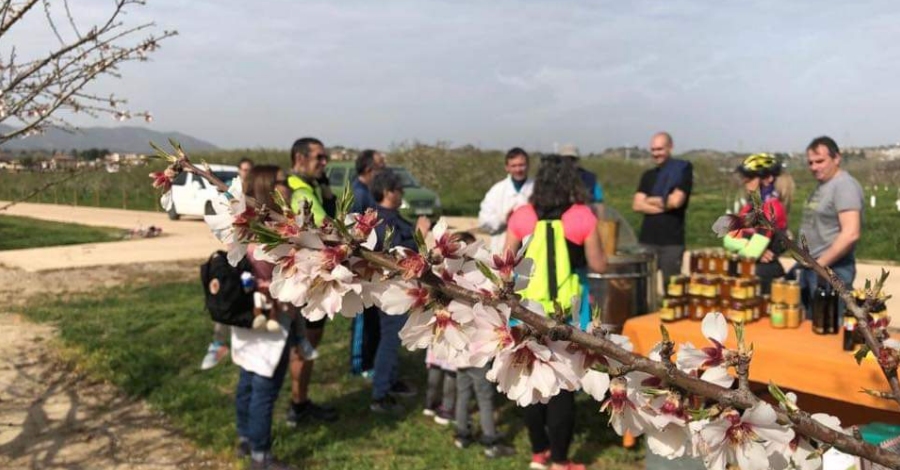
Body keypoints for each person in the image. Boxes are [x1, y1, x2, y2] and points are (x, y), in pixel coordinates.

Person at [505, 155, 607, 470]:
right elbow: (599, 264)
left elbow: (506, 263)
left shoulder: (522, 215)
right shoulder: (582, 216)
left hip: (526, 310)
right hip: (569, 313)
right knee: (563, 386)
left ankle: (539, 451)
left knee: (531, 378)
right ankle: (561, 459)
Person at [232, 165, 296, 470]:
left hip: (247, 312)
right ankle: (261, 454)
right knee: (265, 384)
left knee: (248, 376)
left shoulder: (244, 227)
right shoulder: (273, 233)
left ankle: (245, 437)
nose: (290, 186)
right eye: (284, 181)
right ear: (269, 187)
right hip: (272, 313)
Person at [285, 137, 338, 425]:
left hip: (313, 277)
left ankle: (300, 401)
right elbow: (326, 229)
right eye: (319, 157)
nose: (324, 162)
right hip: (309, 281)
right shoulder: (299, 191)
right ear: (300, 158)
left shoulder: (312, 185)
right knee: (305, 346)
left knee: (307, 345)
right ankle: (298, 405)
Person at [370, 169, 431, 413]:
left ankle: (391, 381)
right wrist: (421, 235)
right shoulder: (383, 223)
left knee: (392, 339)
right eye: (399, 189)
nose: (403, 193)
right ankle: (380, 394)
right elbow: (398, 258)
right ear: (388, 192)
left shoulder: (387, 218)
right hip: (392, 291)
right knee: (389, 340)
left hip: (399, 291)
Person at [451, 230, 516, 458]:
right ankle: (490, 441)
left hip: (459, 353)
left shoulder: (450, 281)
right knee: (485, 398)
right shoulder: (479, 279)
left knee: (463, 394)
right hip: (478, 351)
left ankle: (462, 434)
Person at [798, 136, 863, 319]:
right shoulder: (823, 186)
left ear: (836, 158)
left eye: (820, 161)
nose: (814, 167)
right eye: (810, 162)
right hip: (813, 268)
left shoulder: (844, 186)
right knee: (809, 325)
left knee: (827, 325)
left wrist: (819, 265)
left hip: (831, 269)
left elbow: (851, 233)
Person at [201, 157, 255, 370]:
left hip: (253, 255)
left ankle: (247, 341)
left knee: (251, 297)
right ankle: (219, 342)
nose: (246, 173)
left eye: (250, 170)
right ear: (239, 171)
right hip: (237, 254)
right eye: (244, 169)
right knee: (227, 295)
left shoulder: (255, 193)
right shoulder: (233, 189)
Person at [723, 153, 792, 295]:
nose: (745, 182)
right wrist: (750, 246)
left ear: (767, 179)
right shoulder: (749, 207)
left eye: (750, 178)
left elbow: (752, 252)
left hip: (765, 276)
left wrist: (745, 246)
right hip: (747, 270)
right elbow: (727, 241)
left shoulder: (771, 208)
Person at [632, 132, 693, 283]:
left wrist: (649, 200)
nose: (656, 154)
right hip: (647, 240)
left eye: (659, 149)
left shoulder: (681, 172)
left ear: (670, 147)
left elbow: (676, 202)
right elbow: (637, 205)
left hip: (671, 242)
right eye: (653, 150)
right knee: (643, 285)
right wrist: (664, 204)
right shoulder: (648, 175)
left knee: (671, 286)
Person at [349, 150, 386, 377]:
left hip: (375, 264)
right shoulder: (358, 194)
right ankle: (360, 364)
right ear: (369, 169)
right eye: (382, 166)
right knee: (363, 316)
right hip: (363, 266)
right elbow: (353, 234)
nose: (385, 170)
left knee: (372, 318)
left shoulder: (370, 191)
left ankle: (370, 359)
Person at [477, 147, 534, 255]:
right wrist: (504, 219)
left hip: (532, 251)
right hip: (500, 251)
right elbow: (483, 222)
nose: (518, 169)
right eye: (514, 166)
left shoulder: (538, 189)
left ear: (528, 165)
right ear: (507, 167)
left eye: (521, 165)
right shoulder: (496, 191)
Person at [558, 144, 605, 219]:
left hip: (584, 216)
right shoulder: (553, 177)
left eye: (572, 159)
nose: (569, 162)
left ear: (577, 160)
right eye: (565, 159)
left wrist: (600, 222)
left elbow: (599, 202)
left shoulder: (590, 177)